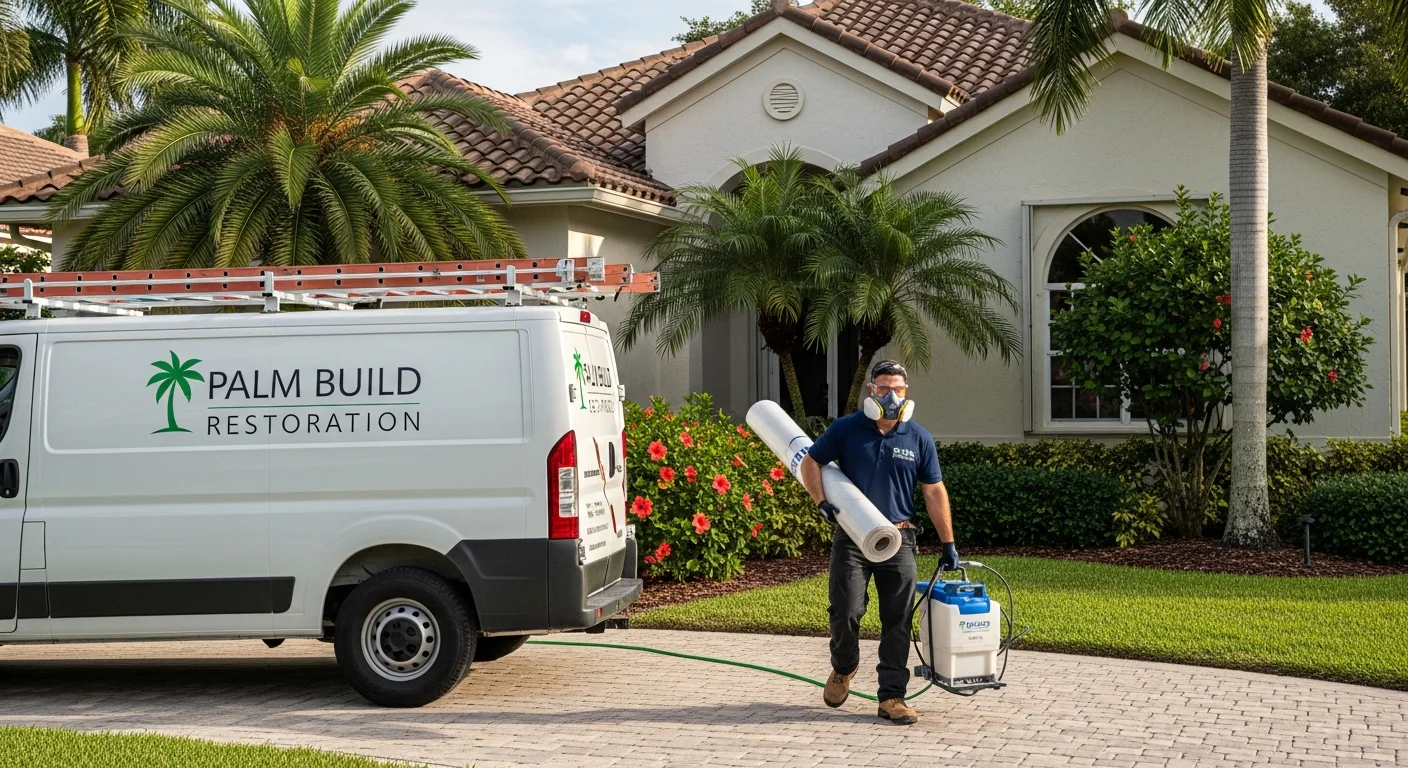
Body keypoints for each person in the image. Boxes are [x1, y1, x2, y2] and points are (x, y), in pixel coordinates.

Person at [798, 359, 958, 726]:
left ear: (907, 392)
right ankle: (844, 667)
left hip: (899, 538)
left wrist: (948, 543)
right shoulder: (848, 429)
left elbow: (933, 491)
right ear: (871, 390)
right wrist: (821, 501)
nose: (890, 395)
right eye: (883, 388)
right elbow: (811, 462)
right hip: (853, 536)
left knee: (898, 619)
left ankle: (892, 697)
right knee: (845, 610)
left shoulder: (918, 437)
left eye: (897, 389)